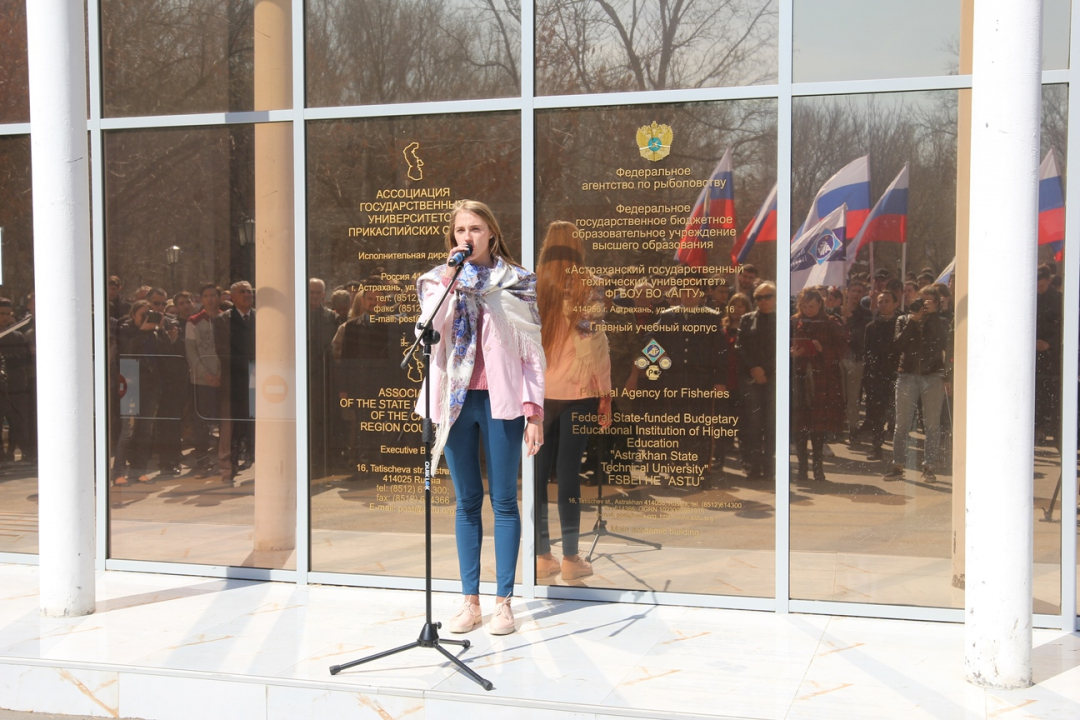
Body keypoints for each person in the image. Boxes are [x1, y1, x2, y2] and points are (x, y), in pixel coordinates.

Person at [415, 200, 544, 636]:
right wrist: (452, 279)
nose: (466, 236)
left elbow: (531, 353)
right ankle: (469, 602)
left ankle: (503, 602)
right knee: (466, 501)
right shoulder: (436, 280)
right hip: (454, 401)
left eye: (474, 228)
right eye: (459, 230)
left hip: (500, 401)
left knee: (504, 501)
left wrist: (535, 412)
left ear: (491, 231)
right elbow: (428, 330)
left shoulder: (519, 281)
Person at [533, 221, 612, 583]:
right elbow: (594, 346)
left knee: (535, 477)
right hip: (579, 393)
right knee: (568, 476)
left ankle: (540, 556)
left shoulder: (534, 286)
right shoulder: (587, 287)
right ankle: (569, 558)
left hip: (540, 394)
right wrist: (605, 394)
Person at [884, 285, 953, 482]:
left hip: (932, 377)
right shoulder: (904, 319)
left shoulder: (941, 321)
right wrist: (914, 320)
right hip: (907, 375)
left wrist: (932, 317)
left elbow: (943, 344)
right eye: (923, 300)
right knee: (902, 424)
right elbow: (897, 345)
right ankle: (898, 465)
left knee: (932, 425)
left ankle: (929, 467)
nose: (926, 304)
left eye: (931, 301)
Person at [790, 288, 846, 482]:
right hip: (799, 377)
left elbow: (842, 350)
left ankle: (818, 467)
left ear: (820, 304)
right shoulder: (793, 321)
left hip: (821, 379)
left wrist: (823, 349)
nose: (808, 310)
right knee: (799, 425)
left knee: (818, 426)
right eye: (804, 306)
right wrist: (792, 353)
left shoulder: (830, 322)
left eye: (812, 306)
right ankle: (802, 468)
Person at [736, 281, 776, 478]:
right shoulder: (746, 319)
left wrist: (765, 370)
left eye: (767, 297)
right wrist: (755, 369)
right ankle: (753, 464)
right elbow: (739, 346)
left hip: (773, 377)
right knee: (752, 422)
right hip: (750, 377)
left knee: (770, 423)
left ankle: (769, 465)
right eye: (759, 298)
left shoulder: (783, 319)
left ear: (775, 298)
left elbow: (784, 349)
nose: (763, 301)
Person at [185, 284, 223, 475]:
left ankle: (222, 459)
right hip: (201, 380)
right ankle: (201, 459)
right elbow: (191, 353)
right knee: (202, 421)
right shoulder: (193, 322)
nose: (210, 299)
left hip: (222, 378)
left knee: (224, 420)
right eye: (206, 296)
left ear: (219, 297)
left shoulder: (226, 319)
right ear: (201, 299)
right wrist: (206, 374)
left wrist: (221, 374)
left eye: (213, 295)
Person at [863, 289, 901, 461]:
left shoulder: (901, 324)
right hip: (877, 375)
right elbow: (867, 351)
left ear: (895, 304)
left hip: (897, 374)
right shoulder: (871, 327)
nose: (883, 305)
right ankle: (876, 448)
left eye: (887, 301)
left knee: (897, 414)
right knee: (877, 414)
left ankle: (898, 452)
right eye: (880, 302)